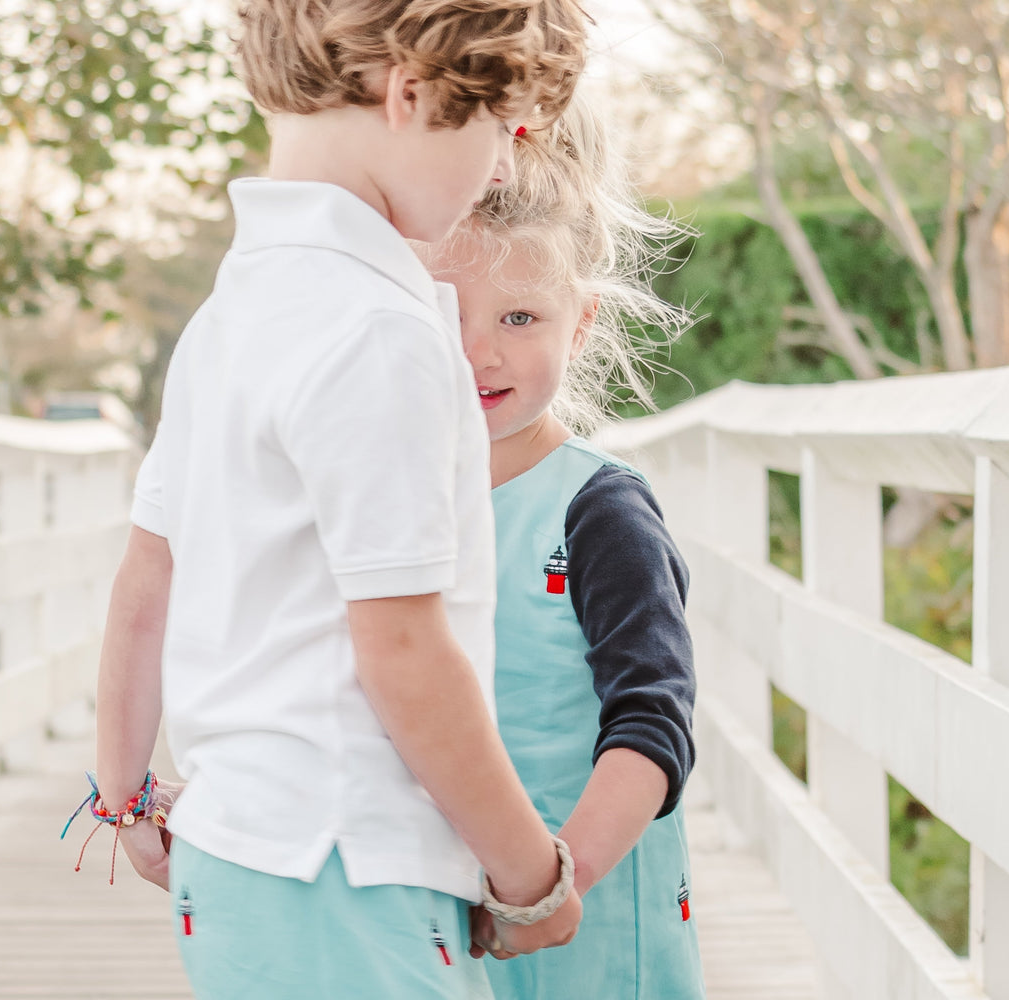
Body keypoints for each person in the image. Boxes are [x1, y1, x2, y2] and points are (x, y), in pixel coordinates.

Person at [90, 2, 590, 998]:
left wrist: (123, 792)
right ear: (412, 94)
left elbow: (149, 579)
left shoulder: (232, 314)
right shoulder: (379, 331)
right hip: (346, 863)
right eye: (501, 129)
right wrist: (532, 873)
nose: (501, 169)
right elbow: (403, 652)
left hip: (237, 854)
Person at [423, 91, 707, 999]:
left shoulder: (600, 511)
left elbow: (653, 723)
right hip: (438, 917)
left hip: (585, 924)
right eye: (447, 317)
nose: (480, 354)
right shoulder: (394, 502)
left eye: (520, 319)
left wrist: (550, 889)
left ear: (578, 324)